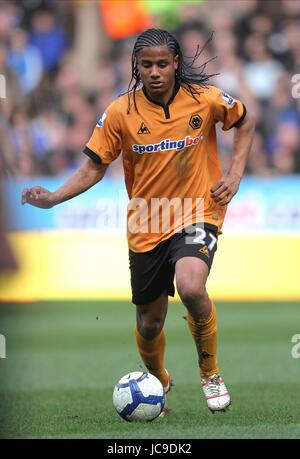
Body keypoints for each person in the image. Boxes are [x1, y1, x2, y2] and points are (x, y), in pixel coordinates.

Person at [21, 28, 255, 414]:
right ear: (136, 67)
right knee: (149, 324)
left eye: (163, 63)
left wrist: (234, 175)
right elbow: (93, 168)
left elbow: (244, 121)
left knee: (192, 286)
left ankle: (210, 372)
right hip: (147, 220)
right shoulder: (119, 112)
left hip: (199, 210)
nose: (155, 72)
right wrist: (54, 197)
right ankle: (159, 381)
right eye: (146, 65)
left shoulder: (206, 99)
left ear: (176, 63)